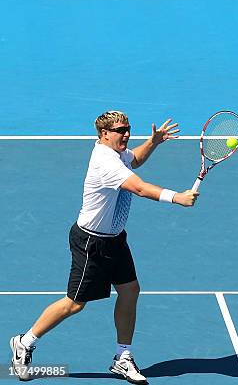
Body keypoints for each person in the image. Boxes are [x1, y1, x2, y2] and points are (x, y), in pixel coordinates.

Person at [9, 111, 199, 383]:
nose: (127, 134)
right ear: (104, 134)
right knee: (75, 304)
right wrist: (176, 198)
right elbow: (140, 188)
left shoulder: (117, 152)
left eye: (128, 129)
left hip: (114, 239)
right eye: (121, 130)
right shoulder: (105, 163)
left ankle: (123, 357)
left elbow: (135, 160)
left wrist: (153, 142)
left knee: (130, 290)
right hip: (92, 243)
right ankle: (24, 342)